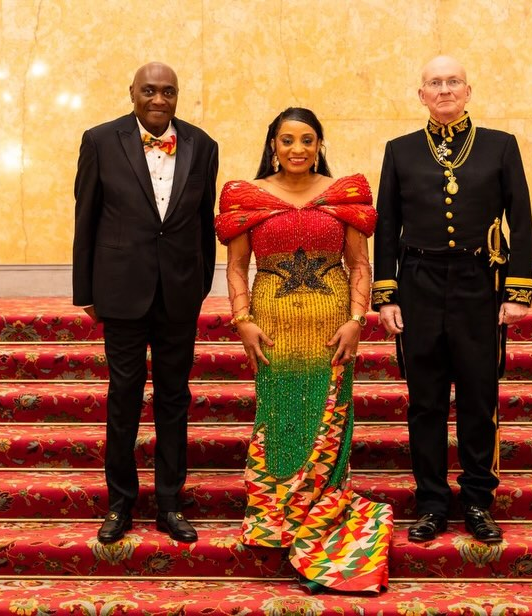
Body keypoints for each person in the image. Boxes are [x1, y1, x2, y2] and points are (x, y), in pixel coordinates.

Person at [215, 108, 392, 593]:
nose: (298, 149)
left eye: (308, 140)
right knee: (279, 419)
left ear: (319, 145)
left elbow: (360, 265)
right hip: (271, 330)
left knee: (328, 422)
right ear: (273, 144)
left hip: (332, 331)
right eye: (287, 140)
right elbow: (236, 267)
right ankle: (278, 524)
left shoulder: (343, 195)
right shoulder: (246, 197)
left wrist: (356, 320)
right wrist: (243, 320)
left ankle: (323, 531)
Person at [372, 55, 532, 544]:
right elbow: (387, 226)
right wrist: (386, 294)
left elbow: (520, 220)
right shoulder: (400, 150)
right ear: (421, 94)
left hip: (477, 285)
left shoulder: (500, 146)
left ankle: (478, 501)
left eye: (453, 82)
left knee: (478, 398)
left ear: (468, 91)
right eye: (434, 83)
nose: (444, 90)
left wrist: (517, 290)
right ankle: (432, 503)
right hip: (419, 285)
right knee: (425, 402)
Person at [72, 61, 219, 544]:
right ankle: (120, 504)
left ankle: (170, 504)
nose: (159, 99)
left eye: (168, 91)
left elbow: (203, 223)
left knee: (175, 399)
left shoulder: (203, 145)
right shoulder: (100, 140)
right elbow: (86, 216)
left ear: (178, 95)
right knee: (125, 398)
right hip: (120, 292)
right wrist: (85, 291)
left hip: (179, 293)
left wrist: (200, 284)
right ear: (132, 92)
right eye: (149, 90)